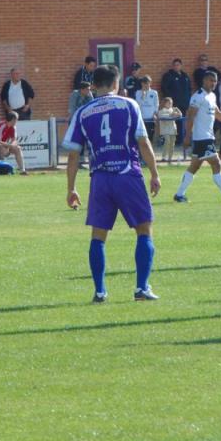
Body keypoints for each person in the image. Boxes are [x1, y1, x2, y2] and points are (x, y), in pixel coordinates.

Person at [62, 64, 161, 303]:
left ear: (94, 86)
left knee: (98, 236)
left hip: (100, 178)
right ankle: (141, 288)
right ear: (116, 83)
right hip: (127, 174)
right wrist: (154, 173)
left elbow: (73, 155)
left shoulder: (83, 113)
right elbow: (143, 142)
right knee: (144, 229)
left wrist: (71, 188)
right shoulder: (129, 105)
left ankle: (99, 292)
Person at [173, 71, 221, 203]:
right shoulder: (198, 96)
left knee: (194, 167)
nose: (213, 83)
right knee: (216, 163)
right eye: (211, 80)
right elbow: (190, 117)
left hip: (207, 137)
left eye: (215, 81)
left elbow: (218, 114)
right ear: (204, 81)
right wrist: (187, 136)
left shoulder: (212, 96)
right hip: (202, 138)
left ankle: (179, 194)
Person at [160, 57, 192, 145]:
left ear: (181, 65)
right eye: (174, 65)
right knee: (173, 122)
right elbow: (164, 88)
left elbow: (189, 88)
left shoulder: (185, 76)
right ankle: (174, 141)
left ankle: (181, 140)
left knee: (182, 121)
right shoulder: (168, 75)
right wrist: (169, 100)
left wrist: (188, 98)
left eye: (178, 65)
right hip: (173, 104)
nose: (176, 66)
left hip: (184, 103)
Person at [156, 97, 182, 163]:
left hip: (173, 129)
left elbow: (180, 115)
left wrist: (177, 109)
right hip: (165, 129)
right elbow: (163, 116)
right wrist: (172, 114)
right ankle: (164, 157)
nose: (170, 104)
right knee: (167, 141)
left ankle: (170, 158)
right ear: (165, 103)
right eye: (169, 103)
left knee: (172, 144)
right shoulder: (161, 111)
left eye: (171, 103)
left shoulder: (173, 110)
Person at [135, 75, 159, 142]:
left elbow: (156, 104)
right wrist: (142, 96)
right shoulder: (138, 92)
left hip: (151, 118)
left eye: (147, 83)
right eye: (144, 83)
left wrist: (155, 114)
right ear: (142, 83)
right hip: (142, 118)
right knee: (142, 136)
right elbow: (137, 105)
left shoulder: (154, 92)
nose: (146, 85)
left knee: (150, 136)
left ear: (150, 83)